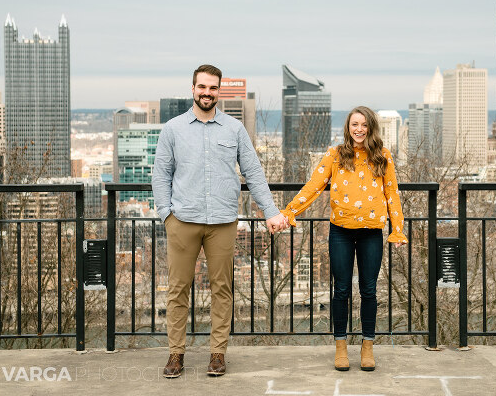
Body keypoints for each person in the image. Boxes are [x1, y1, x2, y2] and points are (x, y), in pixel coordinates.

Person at [152, 64, 288, 378]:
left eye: (213, 88)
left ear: (219, 91)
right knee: (177, 290)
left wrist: (270, 211)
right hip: (182, 221)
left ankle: (217, 354)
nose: (207, 93)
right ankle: (176, 354)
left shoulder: (234, 129)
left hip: (223, 223)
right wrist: (166, 216)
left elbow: (253, 172)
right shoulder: (173, 129)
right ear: (193, 89)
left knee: (222, 290)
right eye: (202, 87)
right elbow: (160, 175)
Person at [281, 106, 407, 372]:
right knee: (341, 290)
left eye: (363, 125)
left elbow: (392, 194)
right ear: (348, 128)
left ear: (371, 127)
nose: (359, 130)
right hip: (341, 231)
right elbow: (314, 186)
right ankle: (340, 346)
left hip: (372, 232)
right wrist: (290, 210)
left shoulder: (383, 156)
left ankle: (367, 346)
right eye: (354, 125)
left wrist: (397, 229)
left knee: (369, 290)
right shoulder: (335, 155)